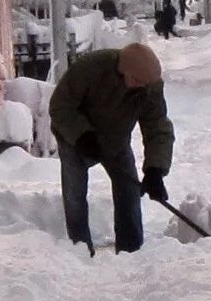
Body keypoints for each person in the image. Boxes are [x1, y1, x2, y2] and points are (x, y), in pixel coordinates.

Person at [49, 40, 173, 253]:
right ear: (123, 70)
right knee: (74, 196)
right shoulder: (91, 69)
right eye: (136, 80)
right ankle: (79, 249)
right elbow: (61, 106)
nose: (141, 86)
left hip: (116, 141)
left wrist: (155, 170)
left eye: (145, 83)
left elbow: (157, 126)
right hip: (75, 140)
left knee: (129, 191)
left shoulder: (149, 85)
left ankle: (131, 249)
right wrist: (82, 136)